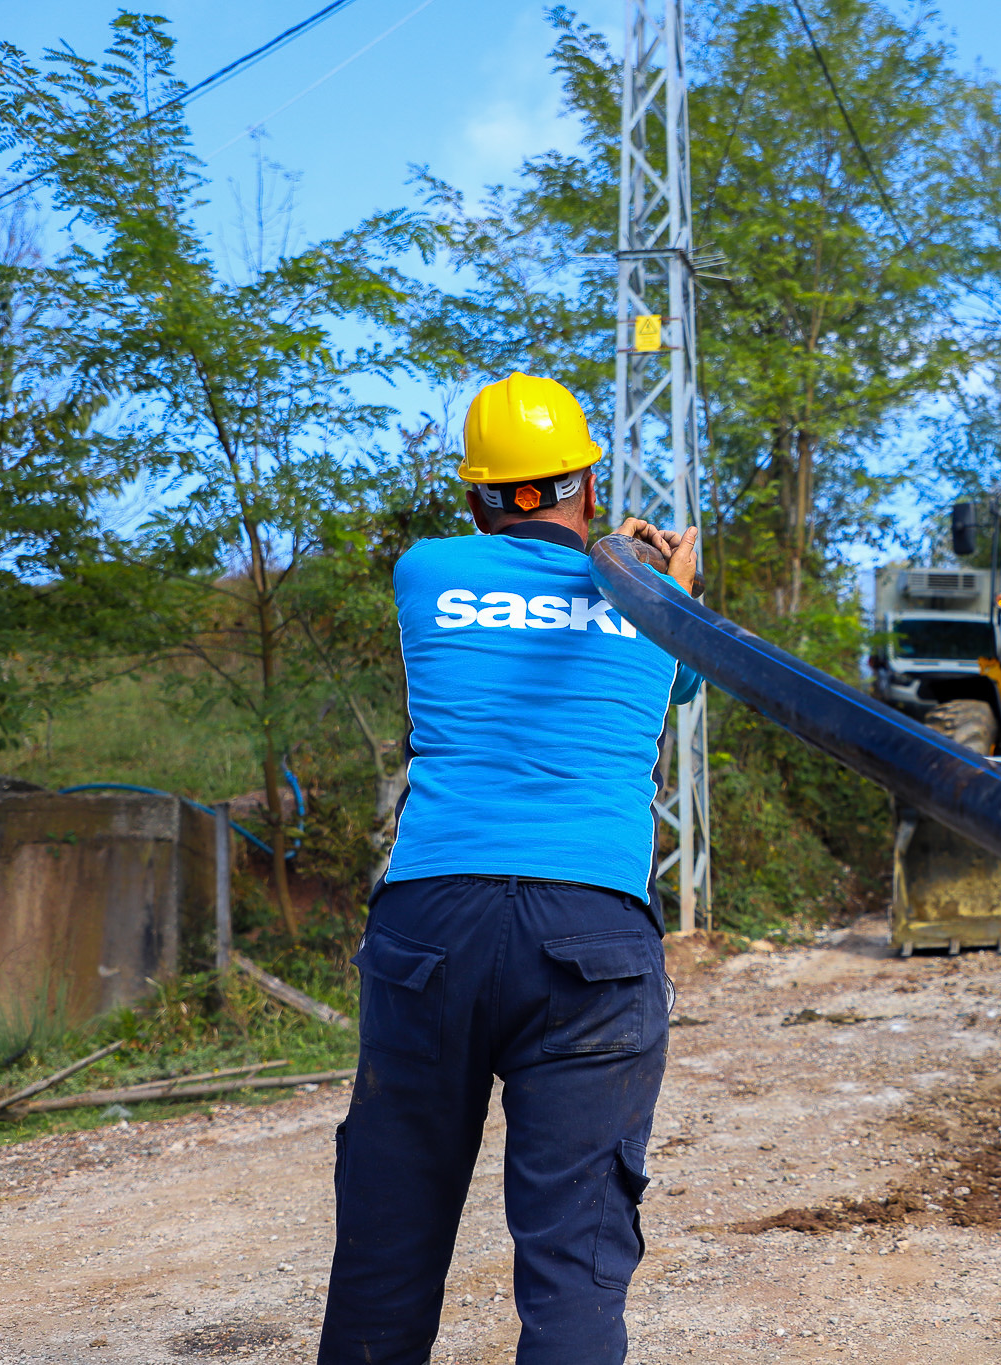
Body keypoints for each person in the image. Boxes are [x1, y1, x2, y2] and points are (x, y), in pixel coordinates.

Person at [319, 372, 703, 1365]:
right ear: (586, 478)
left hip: (430, 929)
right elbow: (690, 681)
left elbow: (517, 566)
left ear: (475, 493)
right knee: (573, 1266)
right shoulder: (657, 607)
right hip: (592, 938)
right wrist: (668, 583)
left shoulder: (425, 570)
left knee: (386, 1247)